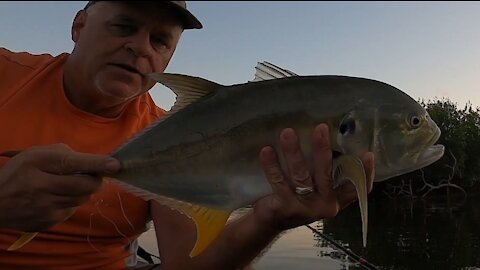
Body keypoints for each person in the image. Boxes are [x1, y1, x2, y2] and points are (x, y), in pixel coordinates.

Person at [0, 1, 375, 269]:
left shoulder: (177, 139)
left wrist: (267, 221)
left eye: (160, 40)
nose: (140, 47)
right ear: (79, 26)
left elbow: (186, 263)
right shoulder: (7, 74)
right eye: (124, 25)